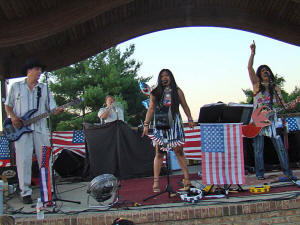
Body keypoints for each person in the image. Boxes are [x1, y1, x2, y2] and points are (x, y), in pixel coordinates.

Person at [5, 59, 63, 204]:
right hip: (20, 130)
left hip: (41, 129)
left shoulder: (44, 88)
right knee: (23, 161)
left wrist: (56, 111)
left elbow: (52, 107)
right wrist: (13, 118)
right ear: (29, 70)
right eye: (37, 69)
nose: (39, 73)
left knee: (45, 160)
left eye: (40, 70)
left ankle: (48, 190)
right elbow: (8, 106)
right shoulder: (16, 86)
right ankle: (25, 193)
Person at [248, 41, 295, 180]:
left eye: (266, 70)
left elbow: (283, 105)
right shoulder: (256, 85)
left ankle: (287, 172)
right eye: (262, 71)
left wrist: (291, 105)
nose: (265, 72)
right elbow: (249, 67)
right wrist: (252, 53)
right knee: (258, 149)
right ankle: (260, 174)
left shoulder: (275, 88)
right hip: (257, 121)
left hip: (272, 121)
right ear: (259, 74)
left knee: (280, 146)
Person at [142, 69, 194, 192]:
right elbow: (151, 108)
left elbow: (185, 105)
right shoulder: (155, 92)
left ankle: (187, 178)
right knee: (159, 153)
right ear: (159, 79)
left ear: (171, 77)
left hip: (174, 123)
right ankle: (156, 182)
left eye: (167, 76)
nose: (164, 78)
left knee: (179, 151)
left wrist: (190, 118)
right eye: (162, 76)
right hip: (161, 124)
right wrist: (146, 124)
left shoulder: (177, 91)